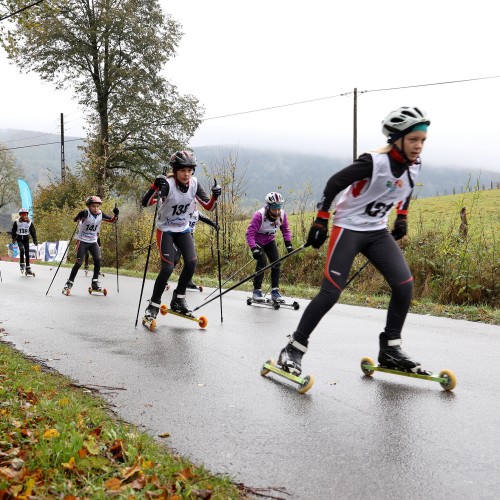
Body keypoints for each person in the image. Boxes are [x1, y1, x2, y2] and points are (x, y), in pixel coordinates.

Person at [277, 106, 430, 376]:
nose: (419, 146)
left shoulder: (413, 166)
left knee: (404, 285)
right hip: (348, 229)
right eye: (413, 139)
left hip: (377, 232)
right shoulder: (373, 162)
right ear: (397, 139)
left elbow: (406, 190)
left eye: (422, 140)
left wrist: (402, 217)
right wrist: (321, 219)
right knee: (331, 292)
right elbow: (335, 182)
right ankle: (293, 348)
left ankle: (390, 349)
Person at [141, 150, 221, 322]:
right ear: (175, 170)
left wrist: (215, 196)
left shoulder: (194, 183)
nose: (186, 174)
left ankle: (178, 298)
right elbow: (146, 202)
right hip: (166, 230)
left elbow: (208, 206)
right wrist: (155, 186)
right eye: (183, 170)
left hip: (183, 229)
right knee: (168, 267)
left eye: (190, 170)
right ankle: (153, 305)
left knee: (191, 262)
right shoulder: (168, 184)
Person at [63, 196, 119, 293]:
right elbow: (75, 220)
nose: (96, 208)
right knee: (79, 263)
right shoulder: (86, 213)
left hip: (93, 241)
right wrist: (80, 215)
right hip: (82, 241)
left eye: (97, 206)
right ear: (89, 206)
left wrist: (116, 215)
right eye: (93, 206)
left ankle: (95, 282)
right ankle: (69, 282)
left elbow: (112, 221)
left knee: (98, 259)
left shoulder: (100, 214)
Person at [245, 192, 293, 303]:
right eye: (274, 208)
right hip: (258, 240)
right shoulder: (259, 215)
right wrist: (253, 248)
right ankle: (257, 291)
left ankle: (275, 292)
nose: (276, 211)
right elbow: (250, 234)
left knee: (276, 262)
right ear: (268, 206)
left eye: (278, 208)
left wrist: (288, 244)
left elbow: (285, 229)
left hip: (270, 239)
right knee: (262, 261)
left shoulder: (282, 215)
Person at [172, 200, 219, 290]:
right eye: (193, 204)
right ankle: (165, 277)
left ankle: (188, 281)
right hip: (180, 235)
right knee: (176, 257)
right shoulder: (184, 212)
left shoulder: (197, 213)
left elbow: (206, 219)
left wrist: (214, 224)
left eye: (196, 204)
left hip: (190, 236)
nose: (195, 205)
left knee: (191, 260)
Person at [11, 208, 38, 276]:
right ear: (20, 215)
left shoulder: (29, 222)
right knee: (22, 250)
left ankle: (28, 268)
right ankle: (22, 263)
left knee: (27, 253)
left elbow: (33, 231)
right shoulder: (17, 222)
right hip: (19, 238)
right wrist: (13, 239)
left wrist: (35, 240)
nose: (24, 216)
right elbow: (13, 230)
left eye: (25, 214)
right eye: (23, 214)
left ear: (27, 215)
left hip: (26, 239)